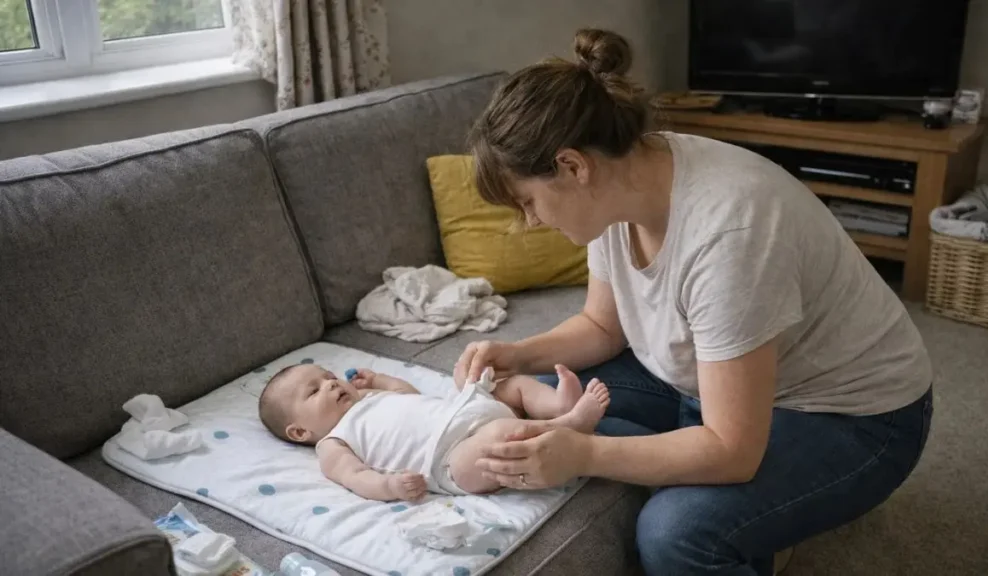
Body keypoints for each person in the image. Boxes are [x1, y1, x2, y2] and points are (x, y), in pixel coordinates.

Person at [456, 27, 934, 576]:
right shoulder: (621, 187)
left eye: (527, 202)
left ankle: (756, 525)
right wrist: (516, 353)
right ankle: (761, 522)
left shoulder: (728, 232)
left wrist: (585, 453)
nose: (531, 222)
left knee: (675, 534)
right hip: (729, 383)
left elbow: (731, 449)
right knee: (549, 396)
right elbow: (601, 326)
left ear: (571, 166)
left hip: (854, 415)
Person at [257, 362, 609, 502]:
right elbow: (355, 476)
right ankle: (568, 426)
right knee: (500, 436)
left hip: (463, 413)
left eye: (328, 377)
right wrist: (390, 486)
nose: (331, 384)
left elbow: (409, 396)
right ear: (300, 431)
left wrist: (379, 381)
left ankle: (558, 405)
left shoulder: (366, 397)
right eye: (314, 390)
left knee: (512, 385)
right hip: (448, 460)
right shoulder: (333, 443)